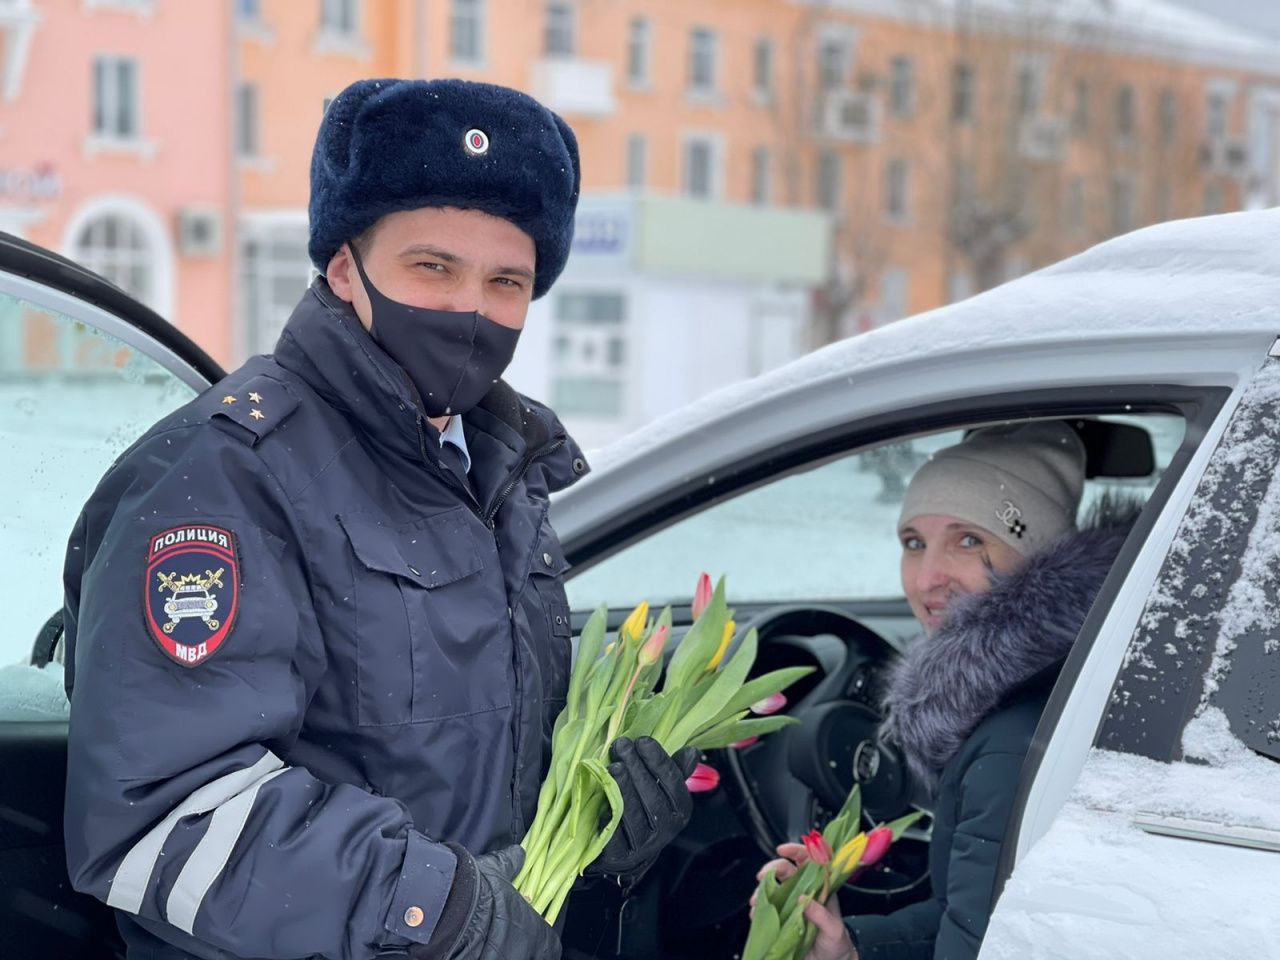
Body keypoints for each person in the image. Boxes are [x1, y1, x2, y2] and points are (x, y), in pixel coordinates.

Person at [61, 78, 695, 960]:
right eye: (432, 267)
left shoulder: (500, 477)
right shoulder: (226, 475)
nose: (470, 309)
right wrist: (438, 912)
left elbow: (468, 765)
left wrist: (592, 823)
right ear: (343, 268)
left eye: (506, 281)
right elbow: (163, 817)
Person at [757, 421, 1137, 960]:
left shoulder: (1014, 739)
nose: (926, 578)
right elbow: (970, 916)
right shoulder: (1046, 685)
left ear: (1039, 558)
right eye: (914, 543)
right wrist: (853, 948)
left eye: (968, 540)